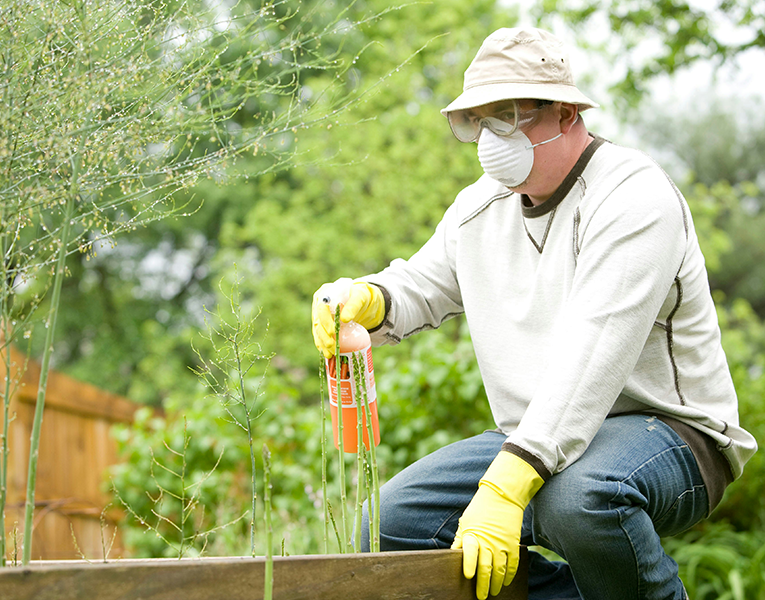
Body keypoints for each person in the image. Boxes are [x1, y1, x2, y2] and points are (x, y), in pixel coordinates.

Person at [310, 27, 757, 600]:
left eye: (510, 115)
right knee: (391, 526)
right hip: (536, 439)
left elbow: (593, 357)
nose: (491, 137)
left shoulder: (633, 196)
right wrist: (366, 298)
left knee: (579, 499)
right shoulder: (480, 206)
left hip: (672, 432)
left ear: (566, 112)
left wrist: (504, 488)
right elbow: (421, 284)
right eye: (479, 120)